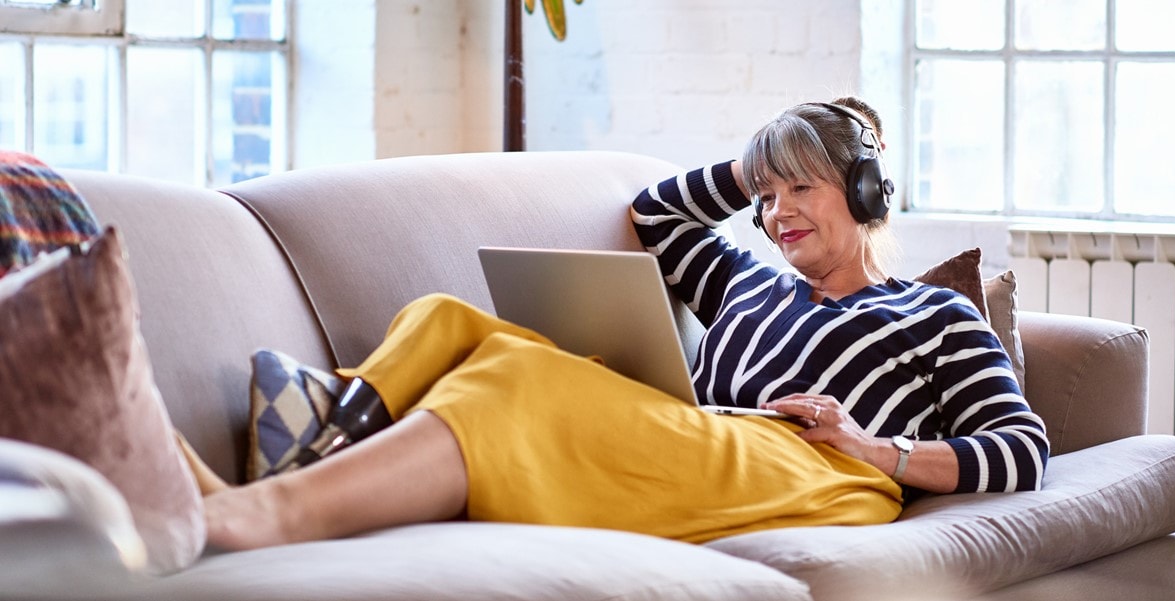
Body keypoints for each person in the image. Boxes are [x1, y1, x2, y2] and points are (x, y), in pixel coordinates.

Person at [203, 97, 1049, 552]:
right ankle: (326, 432)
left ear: (863, 195)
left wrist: (873, 447)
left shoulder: (930, 313)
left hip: (820, 469)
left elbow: (1022, 449)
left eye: (802, 188)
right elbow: (657, 216)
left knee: (516, 378)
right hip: (705, 437)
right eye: (767, 195)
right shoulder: (745, 288)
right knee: (452, 321)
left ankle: (259, 513)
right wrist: (749, 161)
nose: (777, 213)